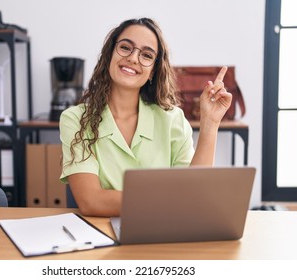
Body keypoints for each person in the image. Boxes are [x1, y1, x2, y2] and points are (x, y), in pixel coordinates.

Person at [59, 18, 232, 217]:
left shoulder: (172, 120)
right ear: (109, 56)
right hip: (103, 236)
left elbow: (194, 192)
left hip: (161, 232)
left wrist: (210, 123)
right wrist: (173, 200)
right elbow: (91, 201)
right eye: (125, 47)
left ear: (152, 71)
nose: (133, 58)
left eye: (146, 55)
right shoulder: (76, 119)